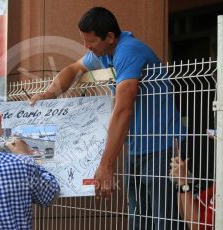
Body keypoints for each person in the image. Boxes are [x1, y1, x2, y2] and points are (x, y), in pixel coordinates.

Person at [29, 6, 185, 230]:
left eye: (90, 42)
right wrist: (49, 93)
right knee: (139, 219)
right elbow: (74, 68)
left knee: (165, 220)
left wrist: (106, 165)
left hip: (162, 146)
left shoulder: (128, 51)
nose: (86, 47)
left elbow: (123, 108)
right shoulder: (103, 53)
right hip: (136, 147)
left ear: (110, 37)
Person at [169, 140, 215, 230]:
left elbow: (196, 227)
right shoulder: (216, 187)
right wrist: (180, 180)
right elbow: (185, 215)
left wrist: (183, 181)